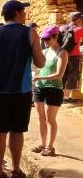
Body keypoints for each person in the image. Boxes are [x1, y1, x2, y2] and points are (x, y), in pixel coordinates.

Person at [0, 0, 46, 178]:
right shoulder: (30, 32)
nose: (25, 15)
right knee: (17, 131)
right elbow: (40, 63)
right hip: (21, 90)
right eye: (23, 12)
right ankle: (16, 170)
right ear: (17, 13)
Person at [31, 26, 68, 157]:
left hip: (54, 89)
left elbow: (59, 74)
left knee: (50, 119)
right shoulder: (44, 52)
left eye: (47, 38)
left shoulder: (62, 53)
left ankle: (50, 146)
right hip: (40, 87)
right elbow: (39, 68)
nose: (45, 41)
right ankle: (42, 144)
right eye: (44, 39)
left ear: (55, 37)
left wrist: (39, 77)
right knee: (41, 118)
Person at [62, 12, 83, 101]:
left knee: (63, 74)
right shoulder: (79, 29)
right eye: (81, 18)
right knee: (72, 75)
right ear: (78, 19)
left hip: (62, 53)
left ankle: (60, 95)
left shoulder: (63, 28)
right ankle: (66, 97)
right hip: (74, 55)